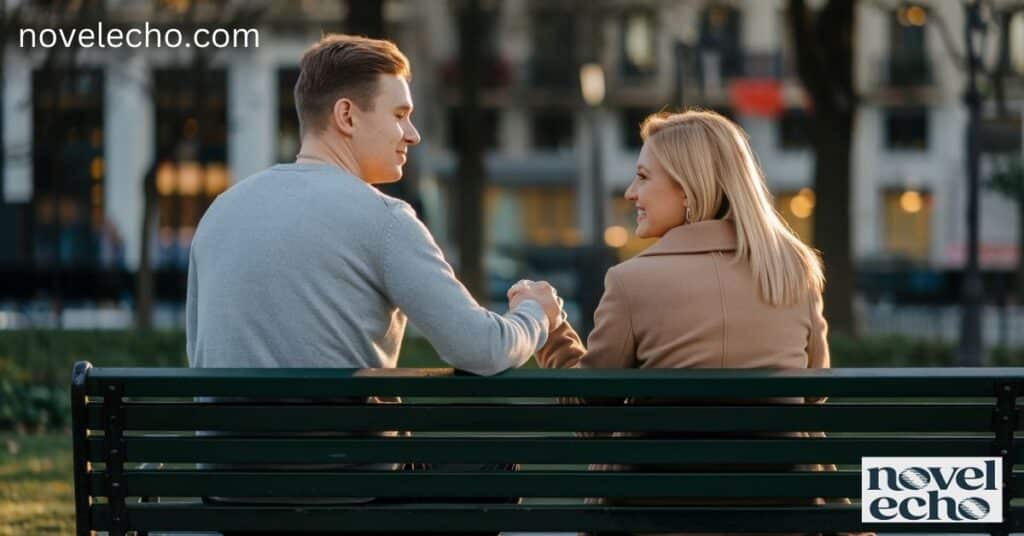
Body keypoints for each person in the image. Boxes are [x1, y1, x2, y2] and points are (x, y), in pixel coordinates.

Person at [185, 34, 562, 534]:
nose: (414, 133)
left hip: (229, 491)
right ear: (346, 116)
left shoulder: (219, 212)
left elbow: (201, 353)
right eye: (400, 114)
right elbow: (481, 349)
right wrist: (537, 313)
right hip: (349, 494)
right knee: (490, 461)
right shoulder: (384, 219)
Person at [509, 110, 835, 536]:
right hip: (784, 514)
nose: (630, 193)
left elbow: (588, 413)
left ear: (687, 188)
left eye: (643, 177)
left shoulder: (630, 282)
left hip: (650, 518)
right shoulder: (794, 270)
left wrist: (551, 329)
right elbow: (815, 390)